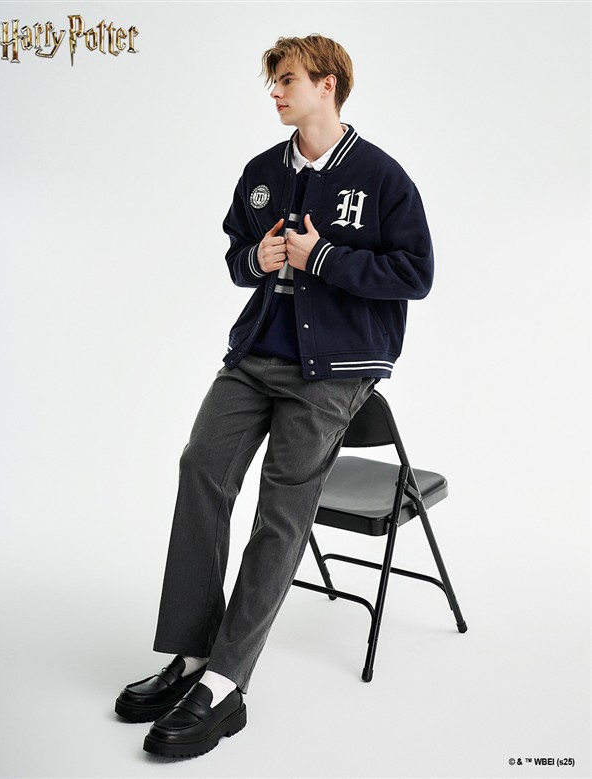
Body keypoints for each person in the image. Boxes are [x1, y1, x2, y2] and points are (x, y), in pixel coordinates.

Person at [114, 33, 434, 759]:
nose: (276, 92)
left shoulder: (382, 178)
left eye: (288, 79)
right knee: (201, 467)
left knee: (282, 508)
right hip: (258, 354)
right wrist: (254, 259)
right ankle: (194, 656)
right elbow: (236, 255)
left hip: (334, 370)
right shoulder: (261, 173)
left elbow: (415, 274)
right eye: (274, 80)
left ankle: (226, 683)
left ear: (327, 85)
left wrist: (325, 256)